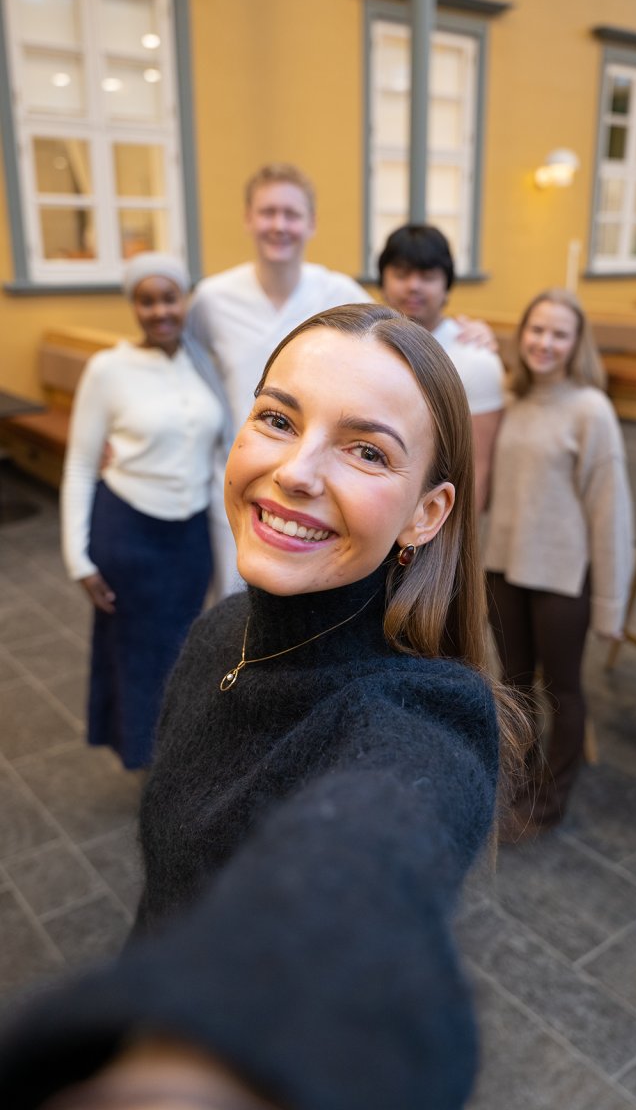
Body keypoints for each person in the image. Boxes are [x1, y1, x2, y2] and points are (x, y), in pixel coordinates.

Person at [0, 304, 532, 1110]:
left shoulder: (422, 715)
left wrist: (212, 1062)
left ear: (426, 514)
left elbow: (367, 861)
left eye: (365, 450)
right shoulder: (219, 631)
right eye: (278, 418)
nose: (296, 471)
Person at [60, 252, 229, 770]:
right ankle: (147, 759)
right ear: (134, 306)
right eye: (147, 300)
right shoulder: (108, 369)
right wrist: (78, 559)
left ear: (185, 301)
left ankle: (179, 748)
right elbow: (83, 464)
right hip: (128, 530)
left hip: (191, 535)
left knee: (185, 647)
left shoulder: (204, 364)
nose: (160, 311)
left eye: (169, 298)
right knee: (135, 651)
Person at [484, 288, 634, 839]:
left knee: (562, 690)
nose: (544, 342)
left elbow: (610, 512)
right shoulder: (509, 395)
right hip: (503, 565)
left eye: (558, 333)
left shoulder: (591, 410)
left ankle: (551, 799)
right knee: (515, 684)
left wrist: (610, 603)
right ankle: (518, 781)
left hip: (561, 575)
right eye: (536, 330)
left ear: (576, 344)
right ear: (521, 335)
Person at [185, 163, 370, 599]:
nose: (279, 225)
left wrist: (463, 332)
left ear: (311, 224)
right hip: (237, 475)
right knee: (236, 604)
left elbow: (395, 347)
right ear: (249, 218)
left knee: (309, 599)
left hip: (314, 478)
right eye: (268, 212)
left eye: (291, 214)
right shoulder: (212, 299)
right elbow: (180, 366)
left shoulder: (340, 293)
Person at [378, 224, 505, 510]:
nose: (414, 286)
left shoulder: (475, 359)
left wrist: (459, 550)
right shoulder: (366, 348)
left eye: (427, 276)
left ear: (446, 284)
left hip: (437, 517)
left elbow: (478, 469)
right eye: (401, 274)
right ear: (383, 282)